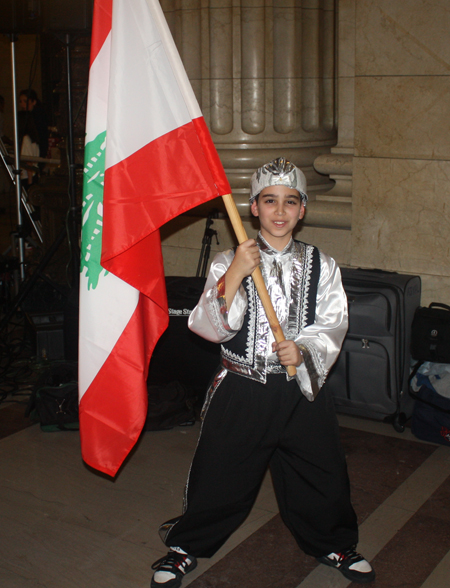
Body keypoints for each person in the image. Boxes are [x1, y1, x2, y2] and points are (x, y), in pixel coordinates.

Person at [151, 158, 376, 587]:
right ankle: (186, 547)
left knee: (320, 470)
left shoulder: (321, 264)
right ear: (253, 207)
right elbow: (208, 326)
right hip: (243, 387)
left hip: (300, 388)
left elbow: (333, 321)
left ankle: (331, 539)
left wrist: (305, 349)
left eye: (290, 202)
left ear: (302, 210)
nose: (279, 210)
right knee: (220, 472)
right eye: (269, 200)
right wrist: (236, 272)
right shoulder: (226, 260)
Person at [19, 89, 49, 160]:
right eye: (20, 101)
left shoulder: (38, 116)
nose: (22, 104)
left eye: (25, 101)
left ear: (34, 102)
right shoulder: (26, 115)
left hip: (35, 146)